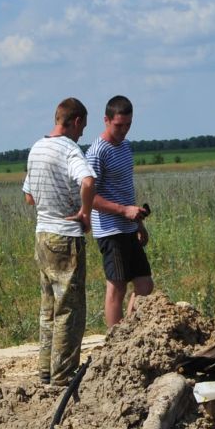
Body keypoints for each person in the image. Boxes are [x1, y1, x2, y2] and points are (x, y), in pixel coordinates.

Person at [22, 97, 96, 384]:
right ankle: (63, 375)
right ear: (75, 121)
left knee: (48, 307)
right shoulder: (69, 149)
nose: (81, 134)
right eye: (82, 128)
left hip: (42, 236)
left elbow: (29, 196)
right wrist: (84, 213)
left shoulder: (36, 148)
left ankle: (45, 370)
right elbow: (88, 181)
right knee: (69, 309)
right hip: (66, 237)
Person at [85, 94, 151, 328]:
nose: (124, 130)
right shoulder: (96, 152)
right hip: (109, 230)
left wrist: (138, 223)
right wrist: (123, 211)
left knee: (144, 285)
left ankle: (129, 334)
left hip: (128, 226)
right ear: (106, 120)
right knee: (117, 286)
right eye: (118, 125)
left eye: (128, 125)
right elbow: (88, 197)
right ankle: (116, 341)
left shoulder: (125, 147)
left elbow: (126, 190)